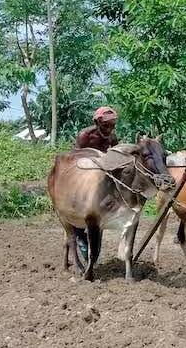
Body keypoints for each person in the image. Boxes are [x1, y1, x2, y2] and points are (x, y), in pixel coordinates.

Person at [73, 106, 119, 261]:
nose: (109, 129)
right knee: (78, 209)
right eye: (106, 125)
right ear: (97, 122)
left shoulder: (112, 137)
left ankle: (95, 245)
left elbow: (115, 155)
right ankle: (79, 236)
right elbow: (75, 158)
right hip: (83, 175)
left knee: (99, 215)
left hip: (102, 177)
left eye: (112, 125)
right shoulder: (85, 135)